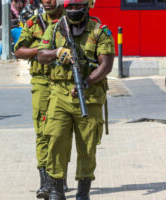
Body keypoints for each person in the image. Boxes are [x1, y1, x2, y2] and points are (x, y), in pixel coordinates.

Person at [37, 0, 115, 199]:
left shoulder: (100, 31)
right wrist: (57, 52)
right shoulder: (55, 30)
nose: (73, 11)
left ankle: (83, 190)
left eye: (77, 7)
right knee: (55, 140)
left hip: (88, 96)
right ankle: (55, 188)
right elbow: (41, 55)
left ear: (86, 7)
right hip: (59, 95)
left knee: (87, 145)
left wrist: (87, 82)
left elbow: (106, 65)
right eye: (69, 7)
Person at [14, 0, 65, 198]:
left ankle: (59, 177)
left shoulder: (68, 20)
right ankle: (45, 181)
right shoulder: (33, 23)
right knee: (43, 131)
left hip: (64, 81)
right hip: (42, 81)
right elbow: (18, 51)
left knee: (61, 132)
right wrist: (43, 52)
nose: (48, 1)